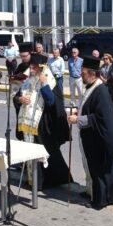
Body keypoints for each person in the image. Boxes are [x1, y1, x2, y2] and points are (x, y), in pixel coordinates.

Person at [68, 56, 113, 208]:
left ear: (92, 74)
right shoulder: (91, 86)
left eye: (83, 73)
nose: (81, 75)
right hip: (91, 136)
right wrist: (79, 111)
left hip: (99, 139)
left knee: (98, 168)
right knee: (91, 167)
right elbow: (90, 107)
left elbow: (101, 117)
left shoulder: (101, 91)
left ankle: (100, 200)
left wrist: (78, 119)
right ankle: (91, 191)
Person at [18, 53, 71, 188]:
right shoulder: (29, 80)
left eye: (34, 67)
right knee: (29, 151)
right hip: (28, 124)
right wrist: (20, 99)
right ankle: (31, 180)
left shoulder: (50, 81)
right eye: (30, 67)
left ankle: (42, 182)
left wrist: (44, 84)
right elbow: (17, 95)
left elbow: (52, 102)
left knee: (44, 154)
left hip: (42, 125)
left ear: (41, 68)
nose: (31, 70)